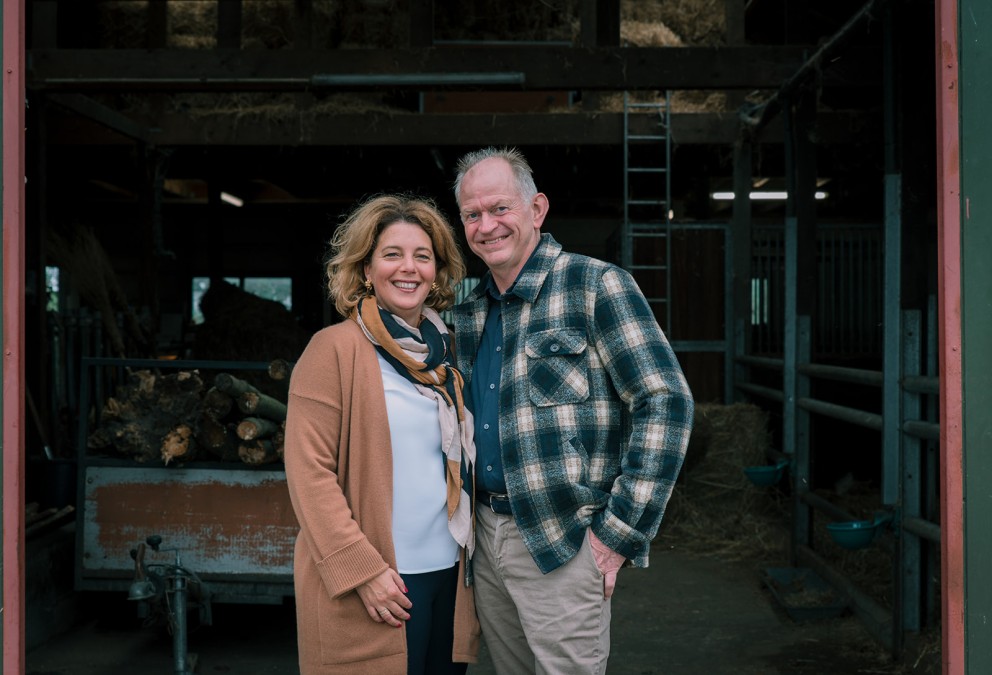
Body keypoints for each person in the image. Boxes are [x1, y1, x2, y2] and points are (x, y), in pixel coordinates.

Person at [451, 147, 695, 674]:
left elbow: (665, 402)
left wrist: (618, 534)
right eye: (473, 214)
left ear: (536, 209)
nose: (486, 225)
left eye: (500, 209)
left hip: (561, 537)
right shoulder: (467, 314)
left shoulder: (595, 285)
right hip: (483, 534)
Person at [284, 194, 480, 675]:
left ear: (437, 271)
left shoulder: (447, 353)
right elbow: (309, 473)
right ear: (366, 270)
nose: (408, 268)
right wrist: (362, 572)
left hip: (448, 574)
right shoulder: (333, 350)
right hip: (378, 581)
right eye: (392, 254)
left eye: (423, 256)